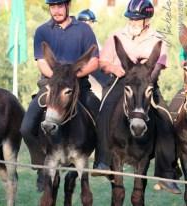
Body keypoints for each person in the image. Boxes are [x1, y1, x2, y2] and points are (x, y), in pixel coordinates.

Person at [93, 0, 181, 194]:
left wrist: (147, 76)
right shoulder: (117, 35)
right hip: (121, 81)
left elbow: (157, 66)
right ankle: (102, 161)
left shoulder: (157, 38)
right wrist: (118, 69)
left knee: (166, 118)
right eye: (131, 18)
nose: (133, 22)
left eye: (138, 19)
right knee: (105, 108)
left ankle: (167, 174)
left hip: (147, 84)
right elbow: (104, 62)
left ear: (146, 20)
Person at [20, 0, 100, 173]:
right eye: (52, 7)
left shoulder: (84, 30)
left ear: (68, 5)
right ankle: (39, 161)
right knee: (26, 127)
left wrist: (73, 77)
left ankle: (101, 161)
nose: (56, 11)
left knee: (103, 119)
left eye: (59, 6)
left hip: (80, 86)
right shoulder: (42, 31)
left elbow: (94, 62)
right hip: (50, 86)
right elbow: (42, 63)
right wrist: (60, 78)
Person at [77, 9, 111, 95]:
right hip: (83, 64)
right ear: (83, 22)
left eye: (93, 22)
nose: (92, 25)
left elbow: (99, 51)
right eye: (91, 22)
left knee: (109, 80)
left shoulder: (90, 34)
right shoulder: (78, 34)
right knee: (107, 82)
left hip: (90, 61)